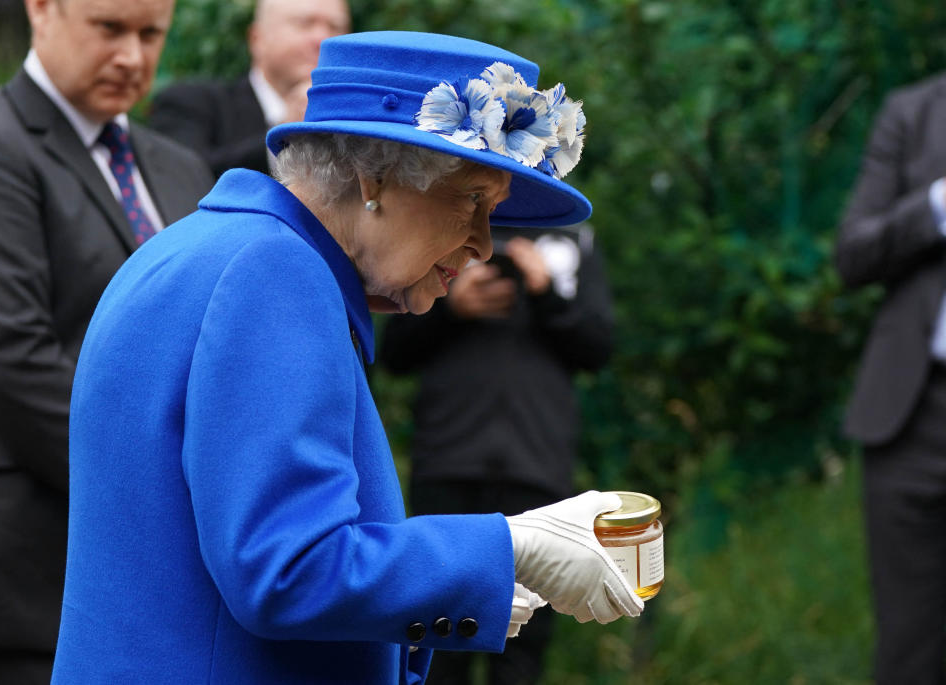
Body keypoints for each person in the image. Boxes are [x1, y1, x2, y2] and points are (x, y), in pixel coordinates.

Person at [50, 31, 645, 684]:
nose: (482, 244)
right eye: (473, 201)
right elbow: (289, 567)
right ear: (373, 178)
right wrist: (508, 547)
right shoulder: (274, 272)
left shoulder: (208, 246)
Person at [0, 0, 213, 682]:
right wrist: (167, 486)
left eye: (151, 35)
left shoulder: (179, 168)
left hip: (169, 577)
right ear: (42, 10)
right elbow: (12, 356)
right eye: (109, 29)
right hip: (38, 558)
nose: (133, 57)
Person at [379, 223, 614, 684]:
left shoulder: (575, 237)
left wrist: (544, 290)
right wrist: (450, 307)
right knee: (440, 634)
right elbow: (392, 353)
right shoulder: (447, 221)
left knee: (522, 648)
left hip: (536, 470)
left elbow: (598, 347)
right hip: (448, 464)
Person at [835, 73, 946, 685]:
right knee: (909, 649)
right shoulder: (913, 110)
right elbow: (853, 252)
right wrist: (935, 206)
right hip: (912, 416)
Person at [148, 0, 351, 177]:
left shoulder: (357, 124)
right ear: (257, 39)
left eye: (336, 27)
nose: (322, 39)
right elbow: (180, 182)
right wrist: (284, 139)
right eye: (305, 24)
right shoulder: (191, 103)